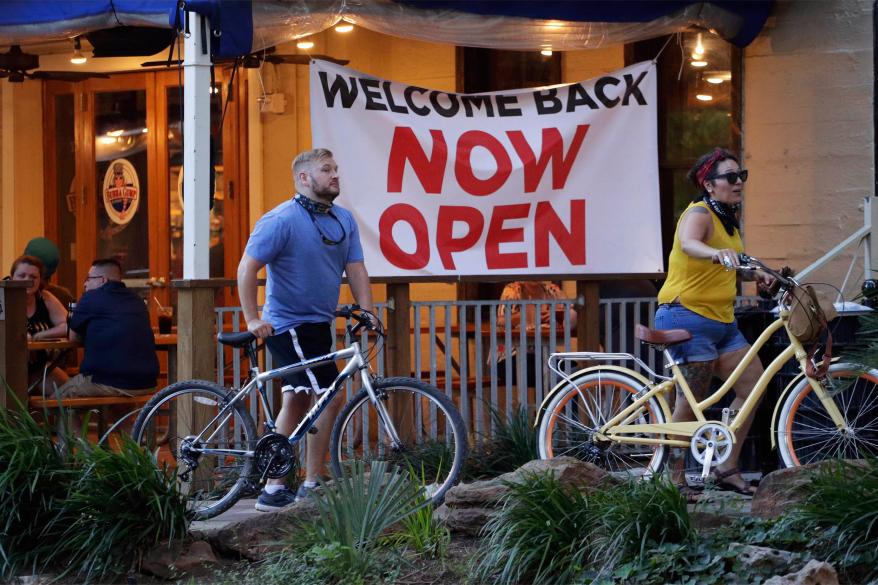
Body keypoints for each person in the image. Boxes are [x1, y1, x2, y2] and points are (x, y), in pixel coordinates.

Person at [237, 147, 374, 512]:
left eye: (336, 168)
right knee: (330, 395)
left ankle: (273, 487)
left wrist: (368, 312)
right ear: (303, 178)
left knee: (298, 398)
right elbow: (247, 268)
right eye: (326, 169)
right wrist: (252, 318)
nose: (334, 175)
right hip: (286, 324)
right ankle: (311, 482)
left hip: (318, 324)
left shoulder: (343, 220)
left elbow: (356, 268)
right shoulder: (280, 219)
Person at [654, 147, 774, 497]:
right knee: (689, 401)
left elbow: (734, 264)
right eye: (731, 177)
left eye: (742, 176)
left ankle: (726, 466)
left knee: (753, 384)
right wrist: (715, 253)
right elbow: (689, 243)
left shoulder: (727, 221)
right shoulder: (700, 213)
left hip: (722, 322)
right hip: (686, 316)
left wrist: (761, 276)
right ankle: (673, 479)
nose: (739, 183)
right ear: (709, 184)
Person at [59, 258, 158, 402]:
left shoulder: (90, 298)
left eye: (88, 279)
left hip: (106, 380)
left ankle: (72, 425)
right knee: (118, 407)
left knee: (59, 404)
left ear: (102, 280)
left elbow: (73, 338)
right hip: (146, 382)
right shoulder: (137, 300)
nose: (85, 284)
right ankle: (119, 425)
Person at [496, 281, 577, 386]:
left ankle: (557, 401)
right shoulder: (512, 290)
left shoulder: (551, 290)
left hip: (545, 354)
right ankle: (549, 402)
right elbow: (501, 321)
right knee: (549, 373)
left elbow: (571, 312)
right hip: (510, 356)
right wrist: (528, 315)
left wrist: (558, 314)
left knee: (572, 370)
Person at [10, 255, 69, 393]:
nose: (27, 280)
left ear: (40, 280)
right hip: (8, 370)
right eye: (21, 275)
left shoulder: (46, 298)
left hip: (40, 368)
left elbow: (68, 325)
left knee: (69, 395)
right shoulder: (3, 299)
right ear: (12, 277)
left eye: (33, 277)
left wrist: (41, 335)